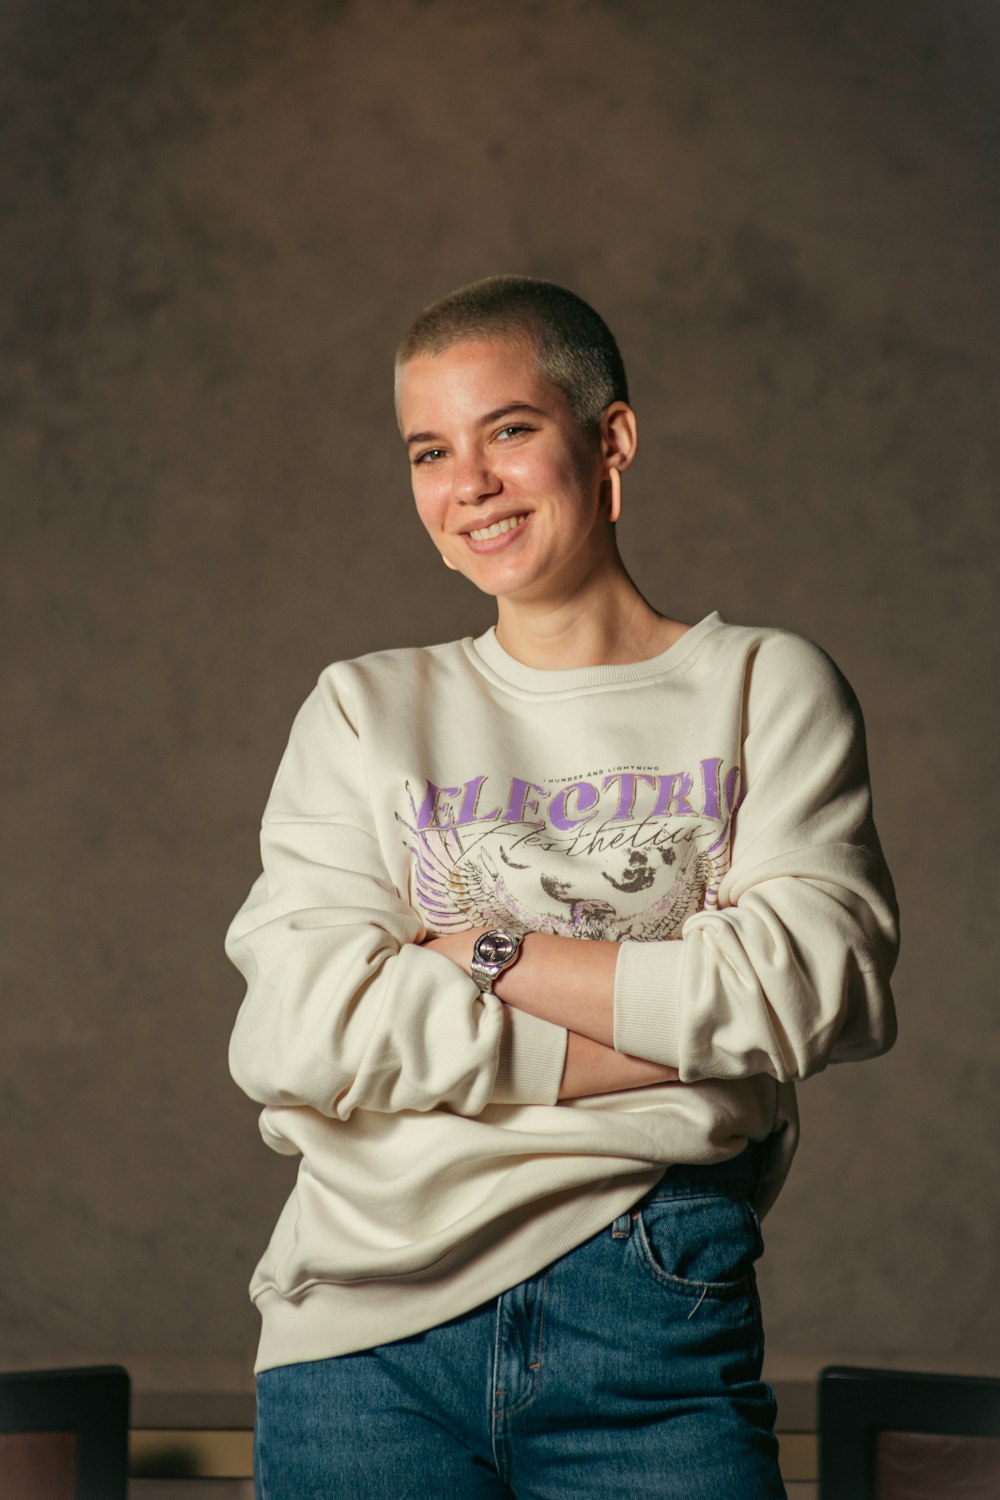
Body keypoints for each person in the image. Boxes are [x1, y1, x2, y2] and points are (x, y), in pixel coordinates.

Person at [226, 276, 898, 1500]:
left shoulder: (763, 686)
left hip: (649, 1300)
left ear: (611, 440)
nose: (467, 482)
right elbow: (297, 1028)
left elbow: (807, 991)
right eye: (430, 450)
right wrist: (678, 1028)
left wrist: (479, 950)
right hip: (361, 1334)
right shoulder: (363, 710)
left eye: (510, 430)